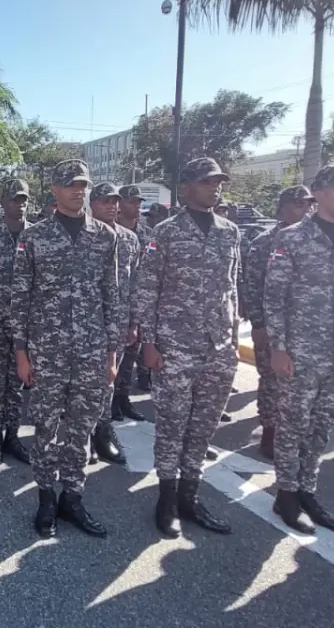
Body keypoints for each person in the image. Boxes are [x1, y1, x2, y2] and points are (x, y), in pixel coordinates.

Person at [133, 157, 240, 539]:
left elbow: (232, 287)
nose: (216, 187)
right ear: (186, 188)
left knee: (203, 426)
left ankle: (190, 496)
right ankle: (165, 499)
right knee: (172, 425)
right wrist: (149, 342)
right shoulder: (166, 232)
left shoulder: (230, 231)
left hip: (219, 346)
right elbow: (147, 290)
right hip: (175, 346)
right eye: (208, 182)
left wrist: (232, 336)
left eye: (219, 182)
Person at [13, 161, 117, 538]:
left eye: (83, 185)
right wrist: (22, 354)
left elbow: (111, 296)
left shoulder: (105, 237)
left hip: (91, 350)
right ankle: (45, 499)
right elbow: (20, 297)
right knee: (45, 427)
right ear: (54, 190)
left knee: (81, 428)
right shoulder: (35, 237)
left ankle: (73, 498)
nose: (78, 190)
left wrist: (111, 355)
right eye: (69, 184)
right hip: (48, 351)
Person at [264, 164, 334, 535]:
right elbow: (273, 297)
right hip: (301, 348)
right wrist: (278, 346)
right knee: (293, 424)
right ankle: (286, 494)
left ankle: (308, 490)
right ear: (319, 193)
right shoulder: (291, 238)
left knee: (322, 425)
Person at [241, 186, 316, 459]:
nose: (305, 210)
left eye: (308, 205)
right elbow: (252, 286)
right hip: (273, 326)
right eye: (298, 205)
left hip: (306, 329)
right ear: (282, 208)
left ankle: (293, 433)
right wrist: (259, 325)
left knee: (301, 384)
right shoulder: (264, 242)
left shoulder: (314, 240)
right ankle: (269, 431)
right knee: (271, 381)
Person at [87, 182, 139, 467]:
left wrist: (133, 322)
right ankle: (84, 437)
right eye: (106, 200)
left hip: (116, 323)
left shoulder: (130, 239)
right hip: (87, 323)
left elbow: (134, 284)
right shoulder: (85, 234)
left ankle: (103, 431)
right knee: (83, 385)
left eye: (115, 201)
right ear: (92, 204)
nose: (112, 206)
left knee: (108, 381)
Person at [0, 178, 31, 466]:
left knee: (17, 383)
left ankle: (13, 435)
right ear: (3, 202)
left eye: (24, 199)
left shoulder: (37, 235)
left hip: (26, 324)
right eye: (14, 199)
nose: (20, 204)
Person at [112, 185, 151, 421]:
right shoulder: (108, 232)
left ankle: (123, 400)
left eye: (139, 202)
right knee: (111, 360)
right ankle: (109, 405)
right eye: (132, 202)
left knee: (129, 359)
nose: (136, 206)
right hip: (114, 308)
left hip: (138, 305)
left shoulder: (146, 234)